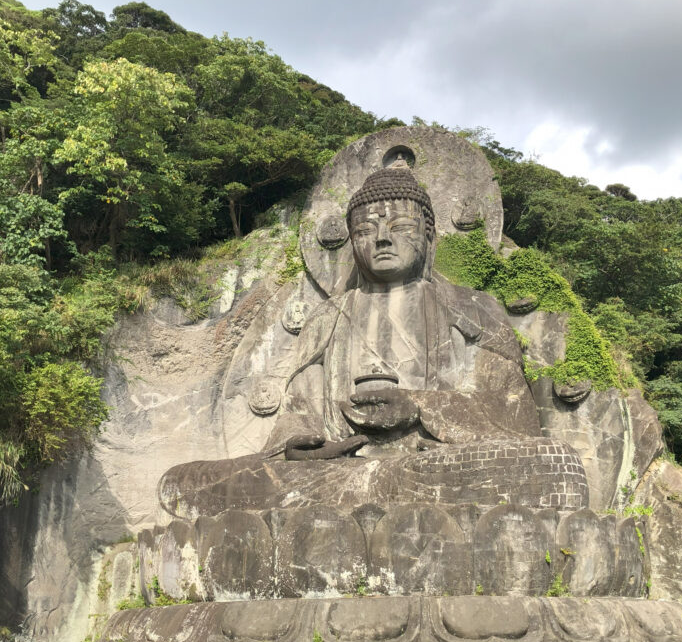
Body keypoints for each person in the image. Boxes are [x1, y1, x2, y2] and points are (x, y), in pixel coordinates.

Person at [158, 159, 589, 517]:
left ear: (429, 236)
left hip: (433, 466)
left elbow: (511, 419)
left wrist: (420, 406)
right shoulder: (329, 316)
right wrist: (298, 445)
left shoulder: (473, 309)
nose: (381, 238)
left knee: (556, 467)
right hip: (337, 475)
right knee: (182, 483)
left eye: (399, 226)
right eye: (364, 231)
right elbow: (301, 411)